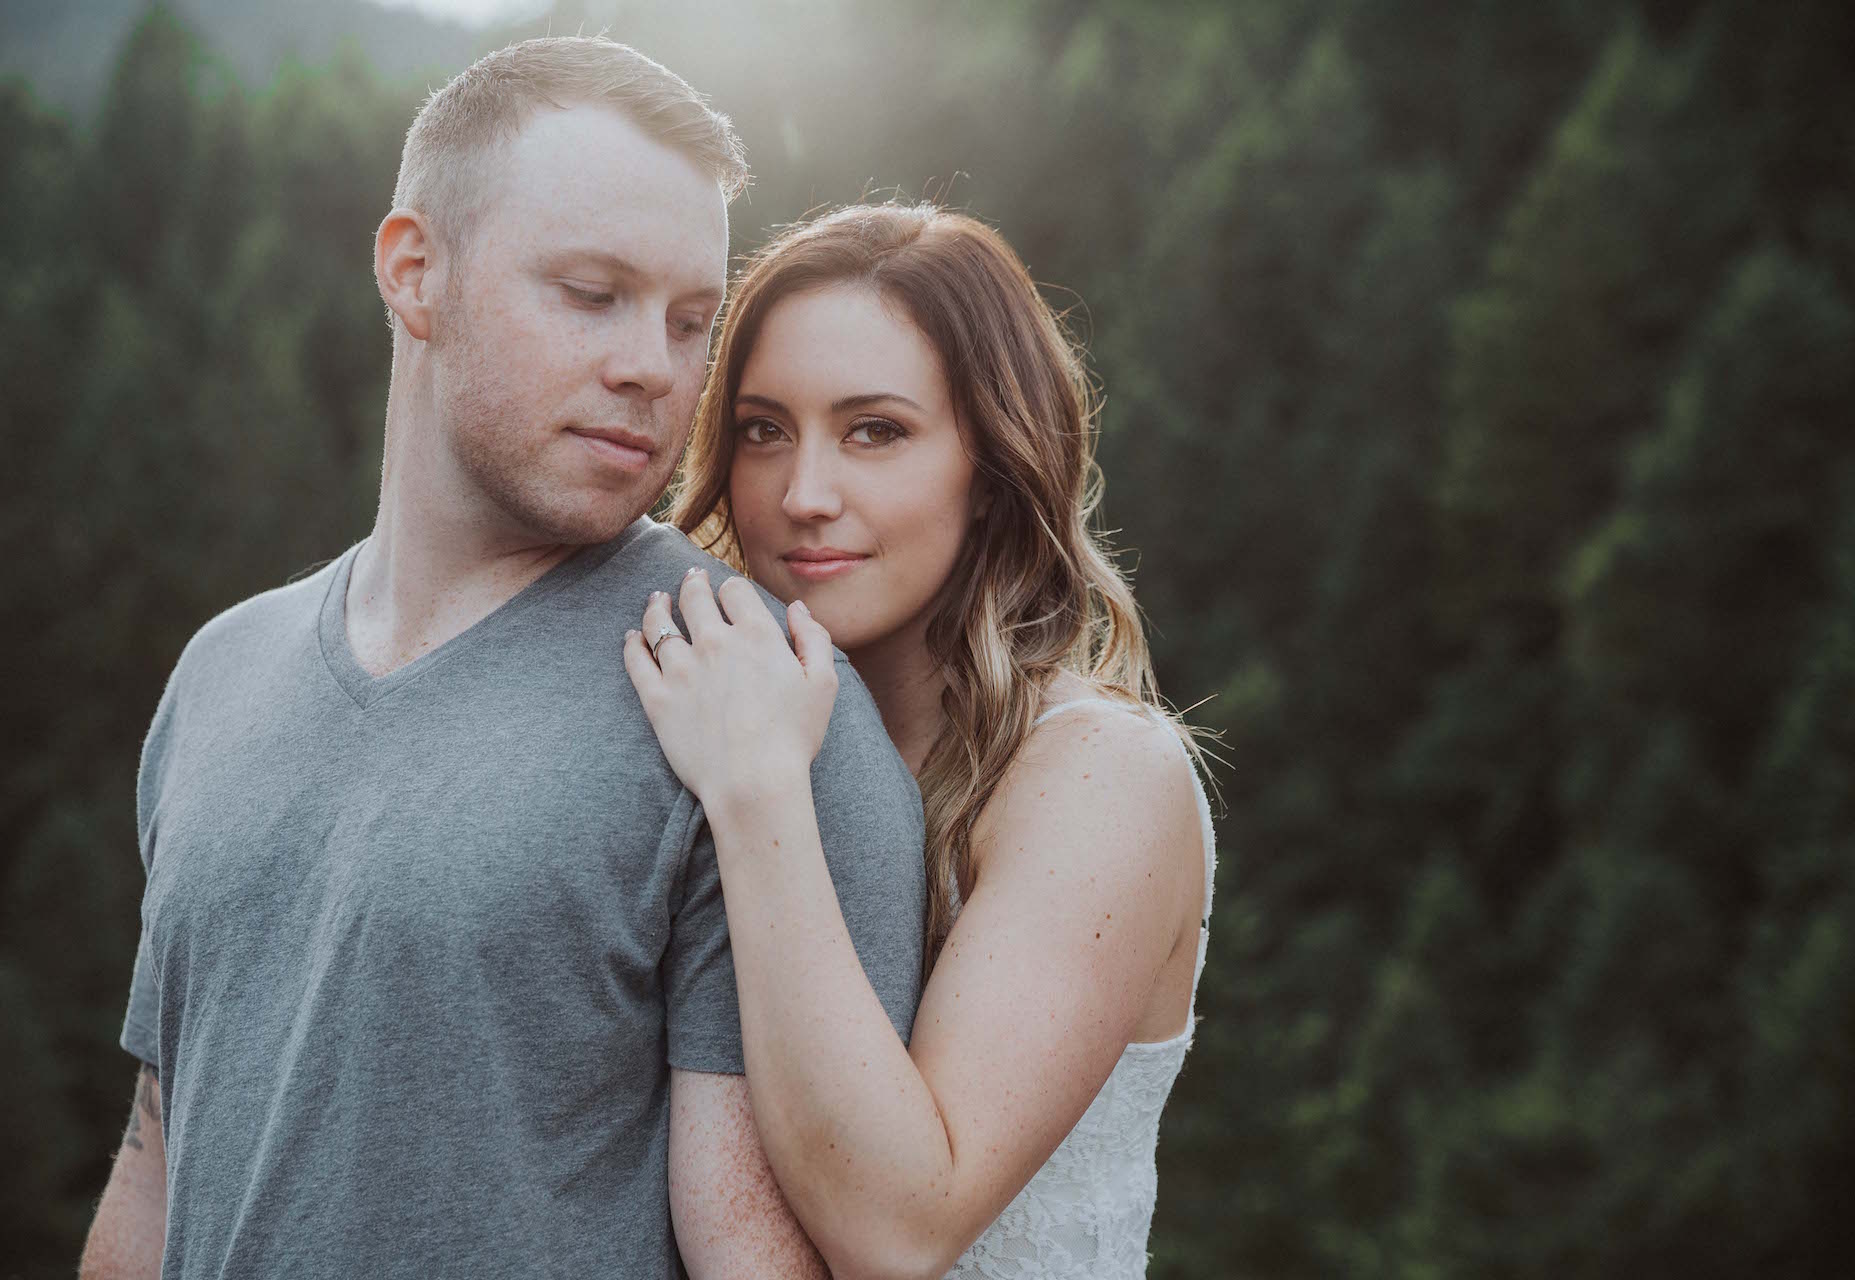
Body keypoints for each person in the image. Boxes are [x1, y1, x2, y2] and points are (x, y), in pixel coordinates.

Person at [78, 38, 925, 1280]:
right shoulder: (221, 671)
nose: (655, 365)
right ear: (416, 272)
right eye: (592, 293)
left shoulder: (753, 697)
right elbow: (159, 1166)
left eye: (695, 319)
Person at [623, 203, 1217, 1279]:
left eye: (875, 431)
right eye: (762, 429)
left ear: (991, 467)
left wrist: (758, 792)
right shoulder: (688, 719)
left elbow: (898, 1227)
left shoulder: (1100, 777)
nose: (804, 495)